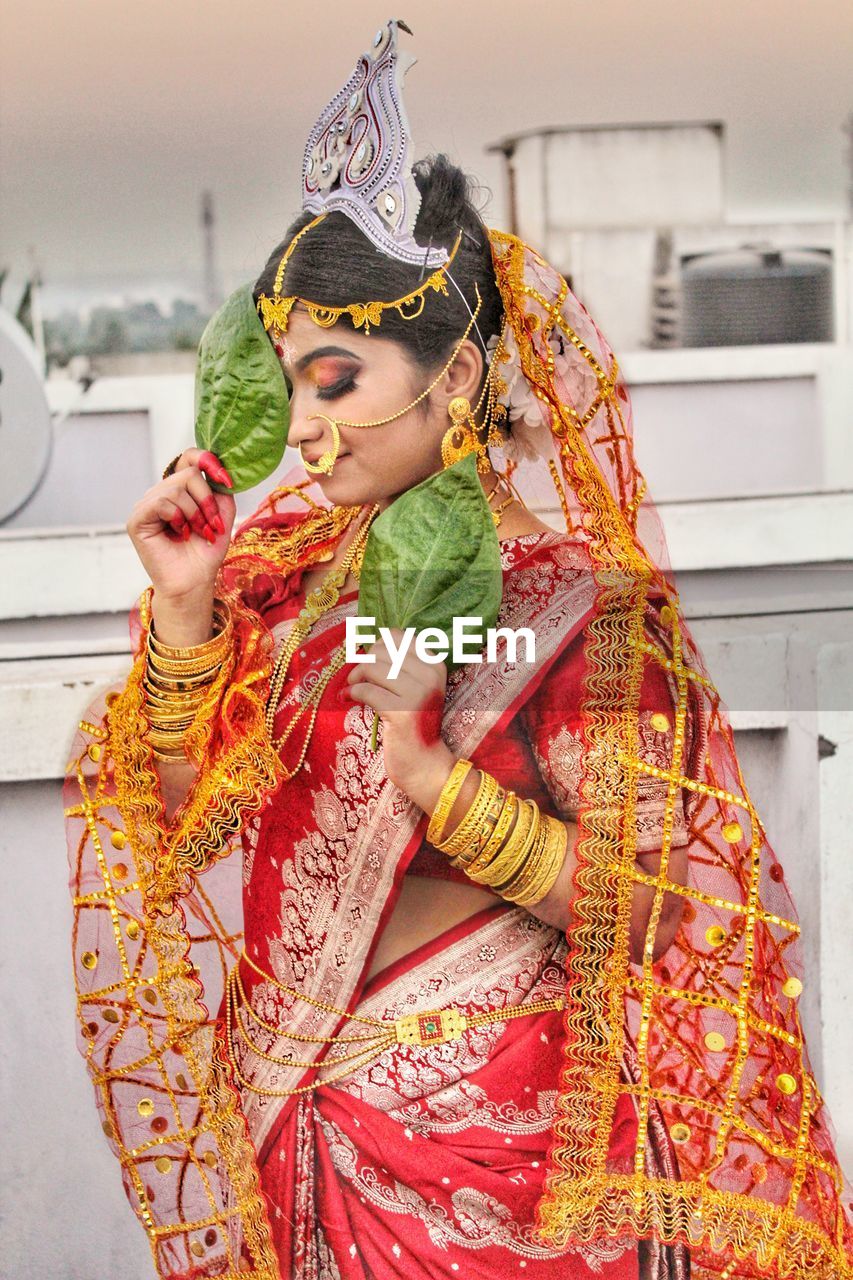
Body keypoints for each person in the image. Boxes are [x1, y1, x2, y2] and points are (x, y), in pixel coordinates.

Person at [65, 19, 853, 1280]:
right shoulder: (288, 582)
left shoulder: (584, 611)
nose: (308, 429)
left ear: (458, 376)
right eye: (290, 384)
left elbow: (654, 917)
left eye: (340, 377)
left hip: (496, 1171)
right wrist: (186, 607)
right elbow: (187, 827)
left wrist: (437, 780)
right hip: (293, 1134)